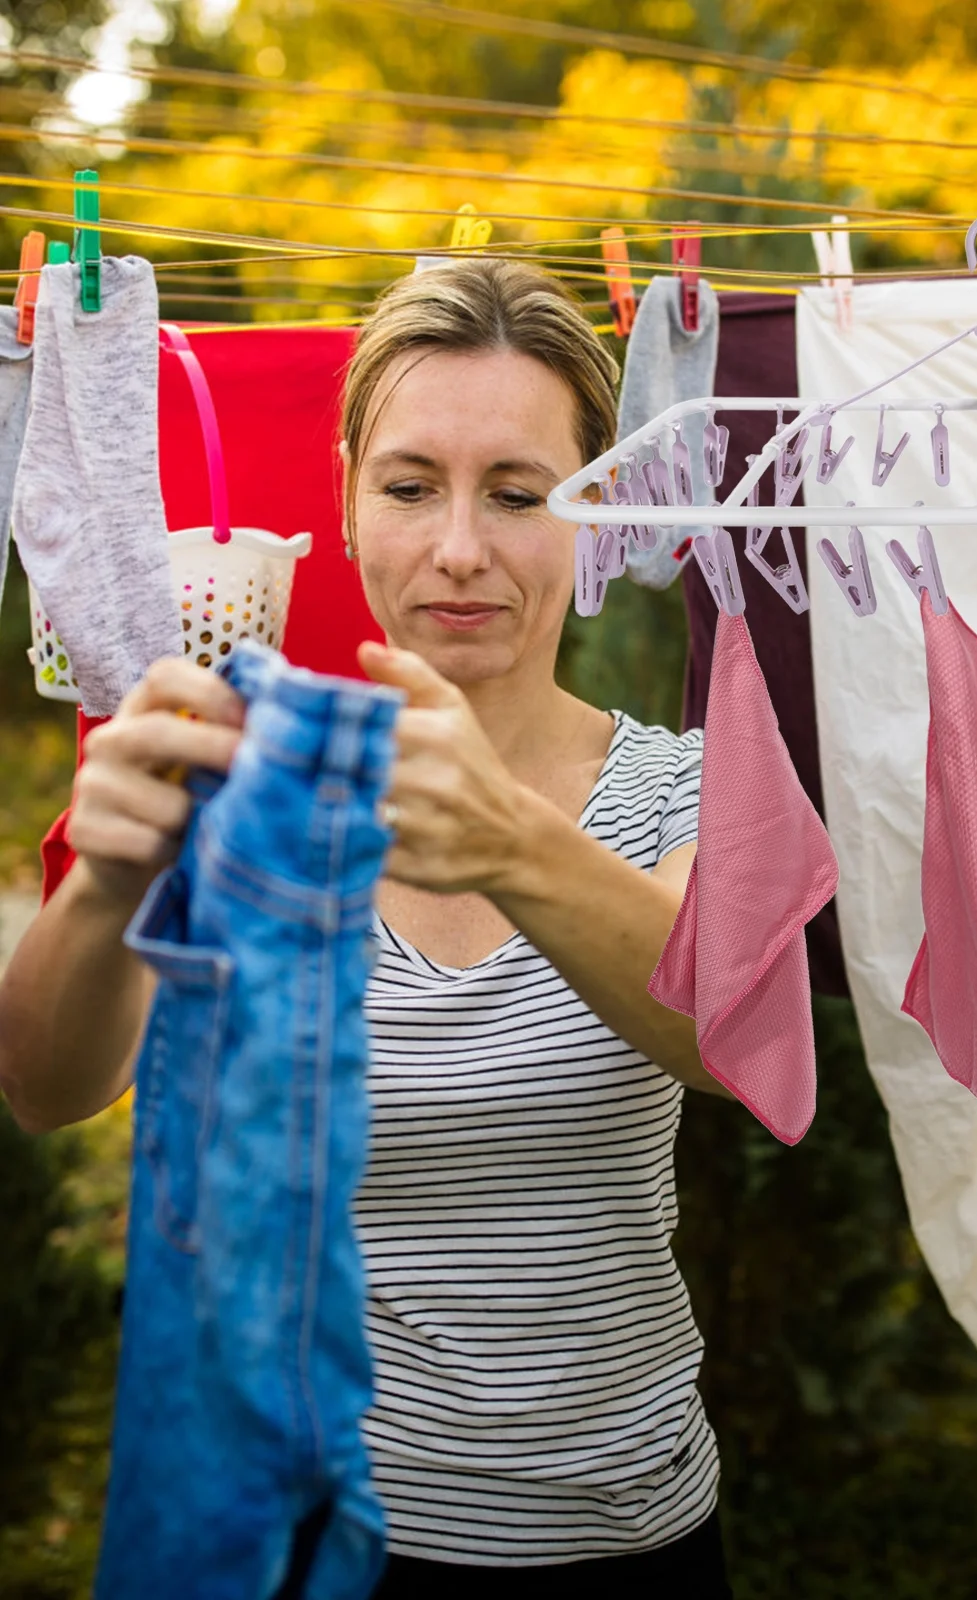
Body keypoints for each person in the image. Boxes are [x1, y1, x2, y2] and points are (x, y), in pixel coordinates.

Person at [0, 260, 735, 1597]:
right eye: (408, 487)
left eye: (517, 494)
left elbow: (730, 1038)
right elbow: (46, 1090)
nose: (459, 548)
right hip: (318, 1535)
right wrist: (105, 884)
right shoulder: (247, 789)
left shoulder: (684, 786)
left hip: (632, 1535)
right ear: (343, 503)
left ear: (597, 509)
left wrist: (512, 845)